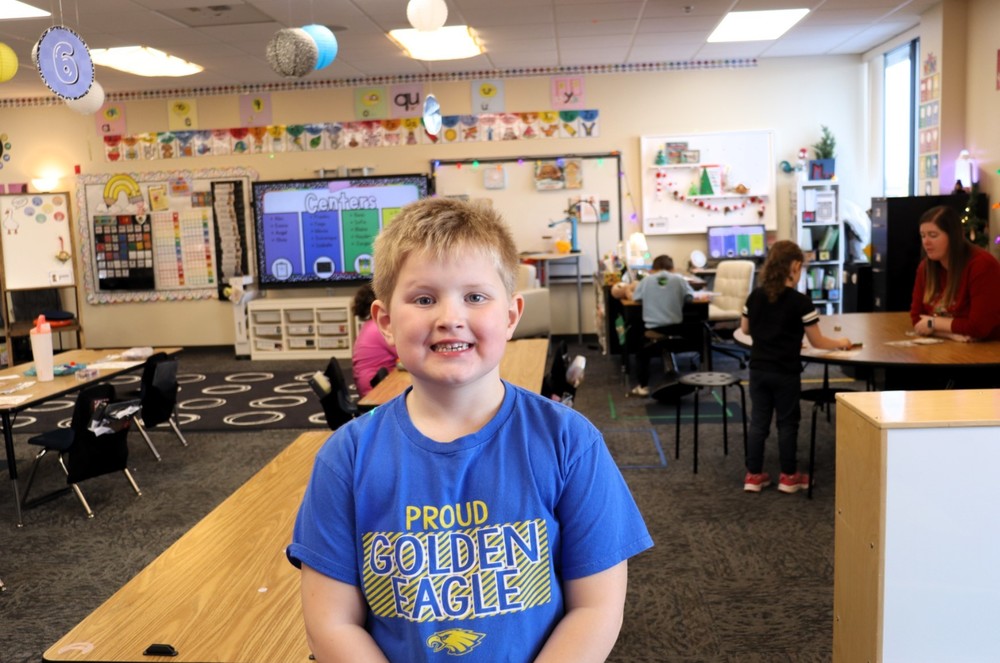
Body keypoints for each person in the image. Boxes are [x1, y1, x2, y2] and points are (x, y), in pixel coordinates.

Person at [286, 197, 653, 662]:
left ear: (511, 315)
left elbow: (596, 608)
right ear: (385, 323)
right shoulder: (346, 458)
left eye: (475, 296)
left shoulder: (570, 443)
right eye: (424, 298)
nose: (450, 317)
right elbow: (331, 623)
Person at [740, 240, 851, 494]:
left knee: (758, 422)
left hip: (758, 370)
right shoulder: (800, 302)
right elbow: (817, 341)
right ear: (796, 266)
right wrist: (841, 343)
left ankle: (753, 475)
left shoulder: (755, 296)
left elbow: (746, 328)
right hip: (785, 372)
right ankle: (789, 476)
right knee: (787, 423)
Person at [910, 205, 1000, 341]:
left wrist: (934, 323)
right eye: (923, 236)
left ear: (953, 236)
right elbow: (917, 319)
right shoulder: (926, 268)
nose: (926, 242)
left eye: (933, 235)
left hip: (989, 351)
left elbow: (978, 327)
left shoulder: (982, 265)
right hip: (950, 348)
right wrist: (952, 334)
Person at [611, 254, 695, 396]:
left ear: (652, 269)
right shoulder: (679, 280)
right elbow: (690, 297)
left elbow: (636, 298)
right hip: (678, 329)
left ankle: (643, 386)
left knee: (641, 349)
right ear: (672, 268)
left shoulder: (646, 281)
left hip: (654, 330)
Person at [350, 282, 399, 397]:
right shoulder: (378, 329)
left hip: (371, 385)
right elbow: (407, 355)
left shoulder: (370, 325)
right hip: (375, 391)